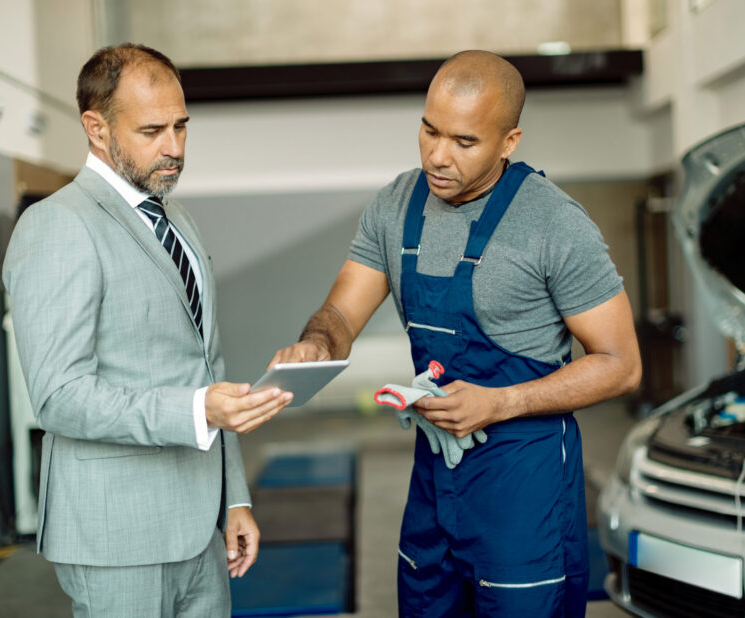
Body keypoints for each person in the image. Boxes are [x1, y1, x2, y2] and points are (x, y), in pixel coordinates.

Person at [271, 50, 642, 617]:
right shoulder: (396, 204)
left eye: (464, 142)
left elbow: (621, 363)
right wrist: (316, 344)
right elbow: (341, 315)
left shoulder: (555, 223)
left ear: (509, 141)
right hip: (434, 483)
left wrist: (502, 402)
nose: (438, 156)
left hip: (525, 487)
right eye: (429, 130)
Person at [3, 43, 293, 617]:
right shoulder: (57, 226)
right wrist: (197, 411)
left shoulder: (174, 218)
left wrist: (233, 498)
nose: (175, 148)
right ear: (96, 128)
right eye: (153, 130)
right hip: (116, 537)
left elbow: (205, 367)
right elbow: (59, 398)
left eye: (182, 127)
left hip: (200, 529)